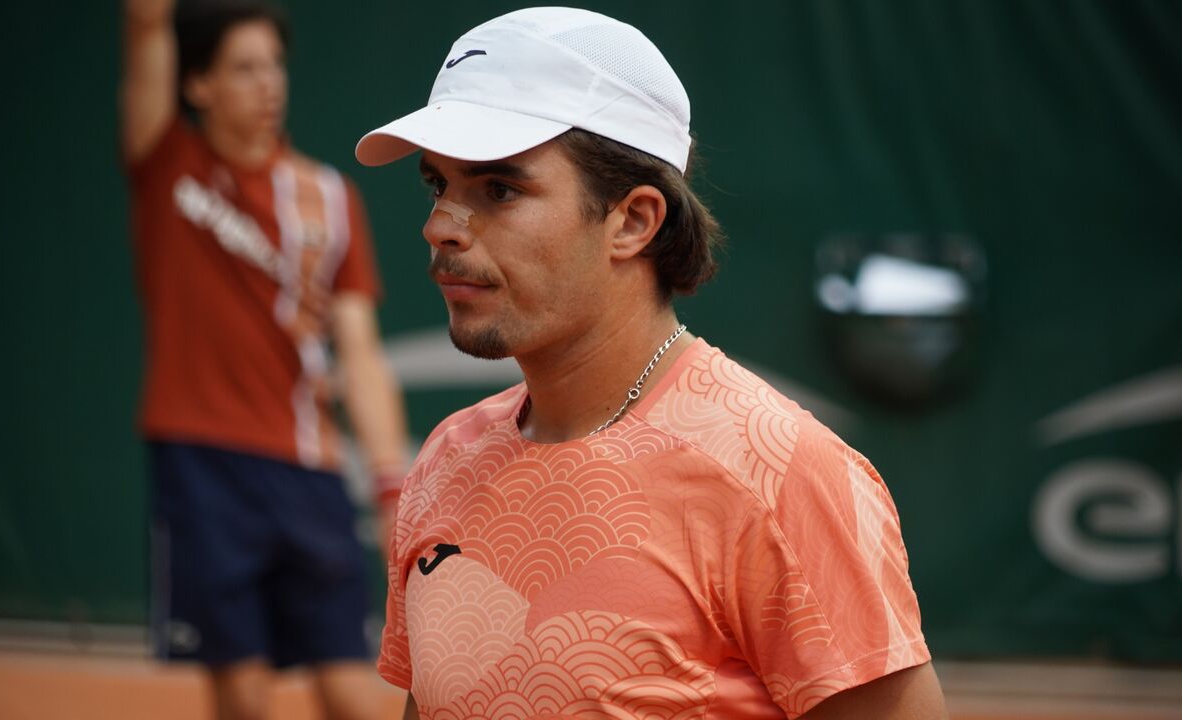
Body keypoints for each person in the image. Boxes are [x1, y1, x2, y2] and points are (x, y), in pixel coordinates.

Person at [353, 7, 947, 719]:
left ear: (633, 220)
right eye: (437, 185)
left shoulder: (784, 475)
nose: (441, 225)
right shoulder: (446, 459)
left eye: (498, 189)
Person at [120, 1, 408, 718]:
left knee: (348, 687)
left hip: (307, 468)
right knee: (244, 695)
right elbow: (147, 26)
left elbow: (361, 356)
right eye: (244, 69)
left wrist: (390, 479)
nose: (268, 83)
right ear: (199, 86)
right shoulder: (168, 163)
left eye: (274, 65)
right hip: (203, 463)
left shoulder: (333, 199)